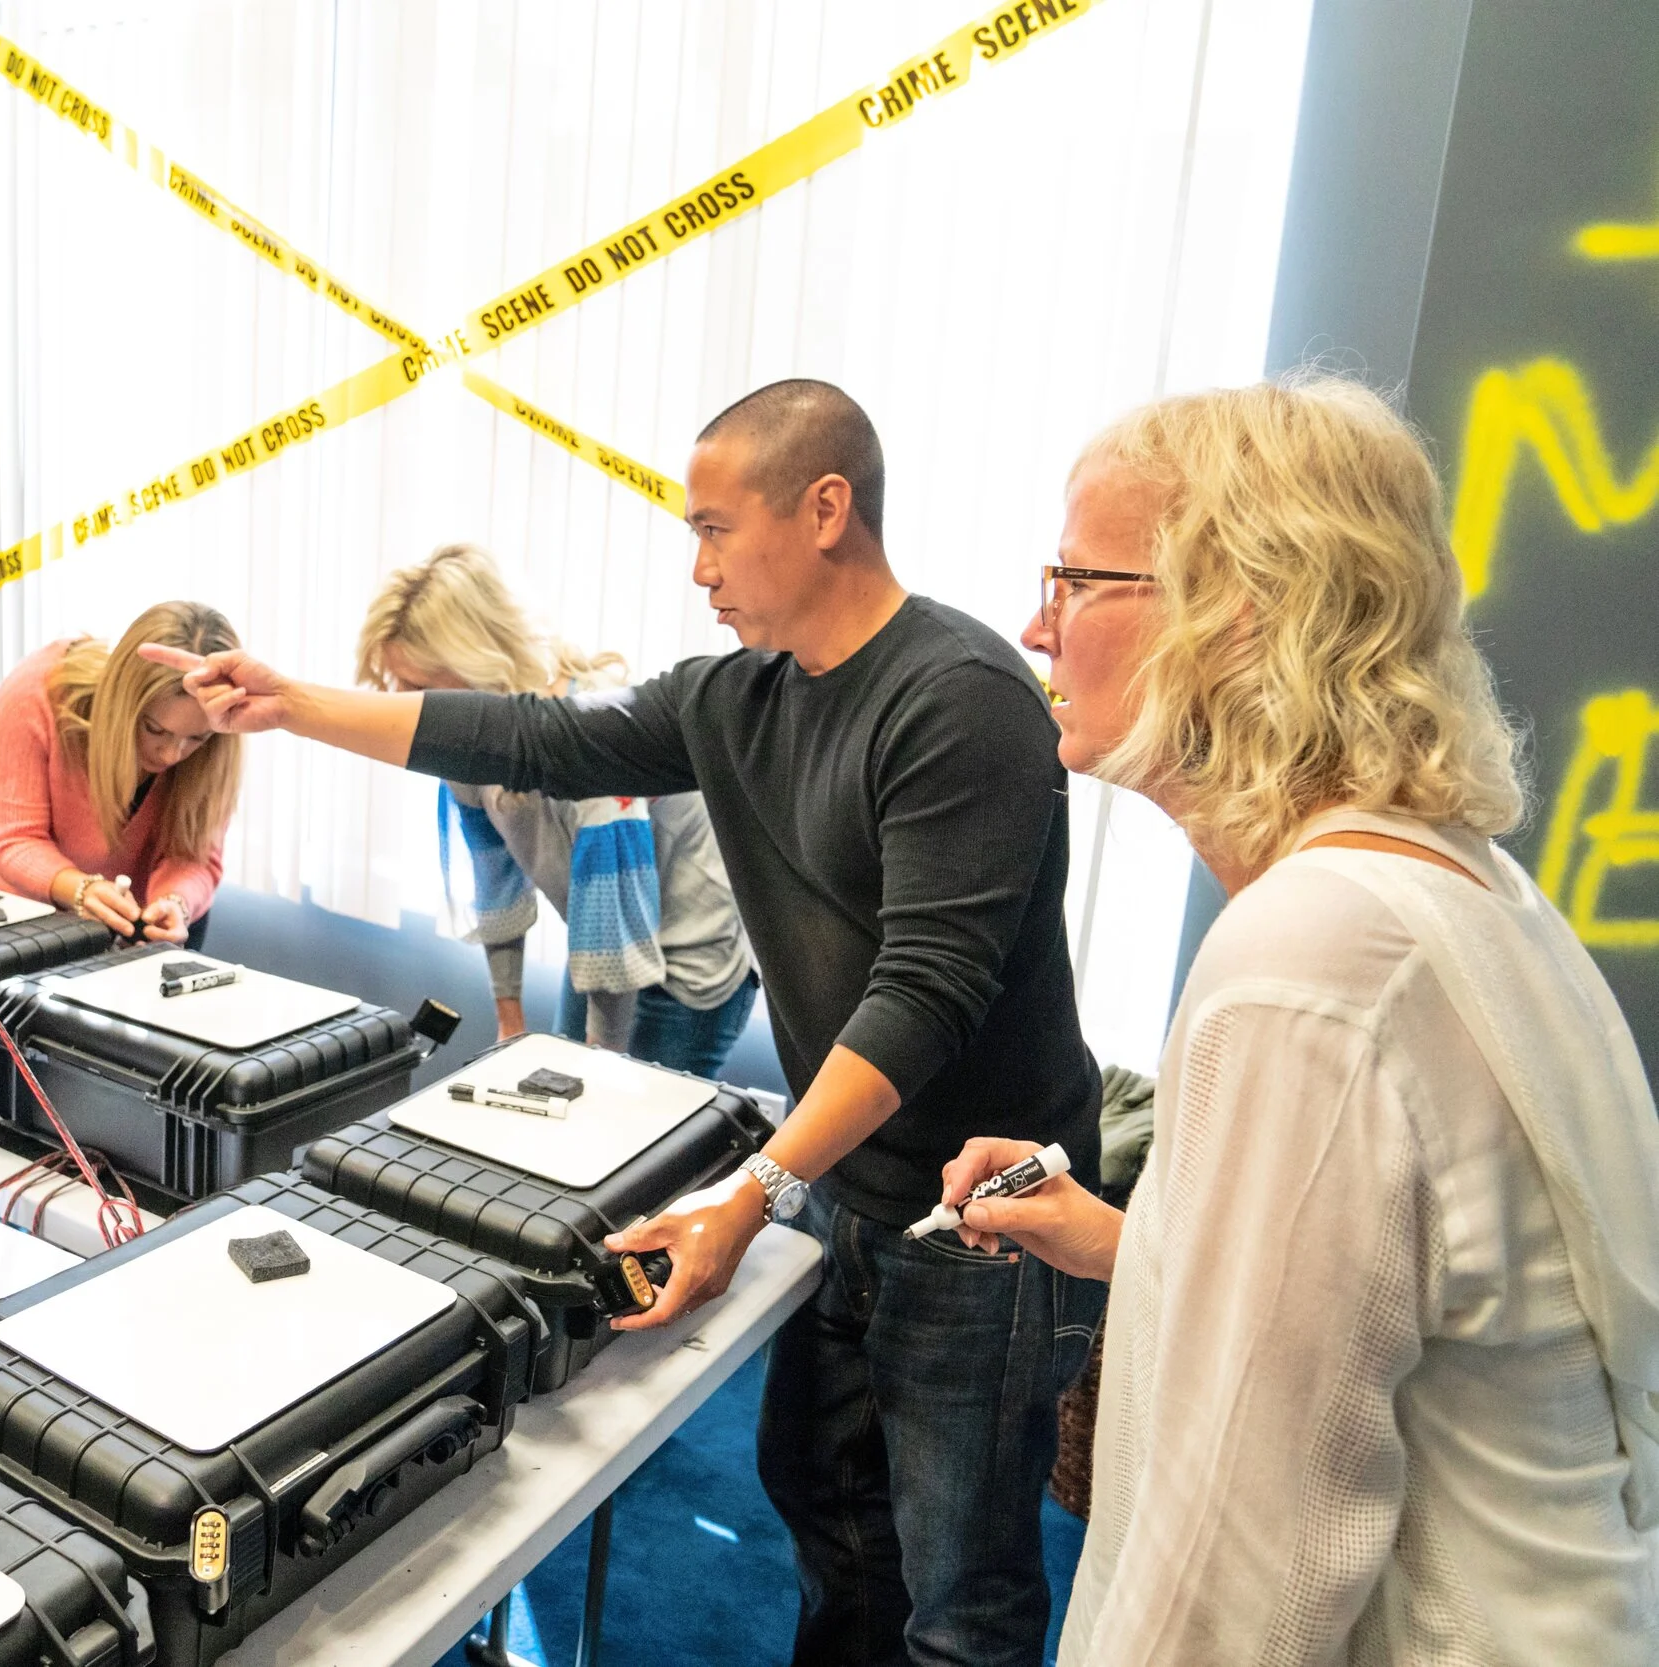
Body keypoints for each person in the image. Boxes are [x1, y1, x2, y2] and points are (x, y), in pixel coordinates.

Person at [151, 380, 1104, 1666]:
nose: (697, 566)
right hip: (853, 1184)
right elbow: (532, 735)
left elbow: (926, 987)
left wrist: (756, 1190)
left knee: (960, 1593)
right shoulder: (735, 696)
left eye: (715, 528)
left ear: (825, 508)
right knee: (831, 1517)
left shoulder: (961, 696)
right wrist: (291, 704)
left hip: (990, 1215)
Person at [935, 378, 1659, 1663]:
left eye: (1076, 578)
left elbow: (1240, 1569)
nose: (1037, 625)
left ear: (1235, 611)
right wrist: (1128, 1239)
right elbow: (1400, 1310)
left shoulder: (1307, 962)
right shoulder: (1462, 886)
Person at [357, 543, 756, 1077]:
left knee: (628, 1119)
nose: (405, 702)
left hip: (689, 962)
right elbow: (496, 885)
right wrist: (509, 1022)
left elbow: (615, 936)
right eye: (396, 685)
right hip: (602, 939)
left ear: (476, 661)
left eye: (418, 685)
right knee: (558, 1090)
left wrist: (599, 1068)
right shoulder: (464, 741)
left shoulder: (592, 732)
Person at [0, 602, 241, 949]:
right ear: (123, 702)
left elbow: (195, 856)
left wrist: (175, 902)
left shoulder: (218, 746)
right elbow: (15, 841)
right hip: (33, 916)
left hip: (145, 926)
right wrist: (81, 889)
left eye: (197, 738)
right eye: (154, 729)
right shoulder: (36, 693)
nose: (171, 755)